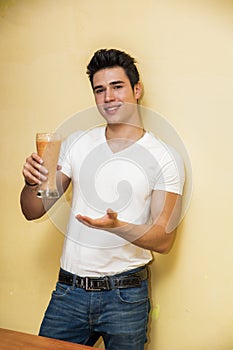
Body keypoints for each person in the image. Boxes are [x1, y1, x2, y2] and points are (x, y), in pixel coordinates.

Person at [20, 48, 185, 350]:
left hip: (126, 297)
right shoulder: (76, 144)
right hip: (69, 292)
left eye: (117, 86)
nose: (108, 97)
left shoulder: (164, 157)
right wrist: (32, 182)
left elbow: (164, 240)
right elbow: (34, 209)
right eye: (100, 89)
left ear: (137, 89)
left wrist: (117, 226)